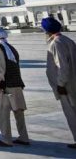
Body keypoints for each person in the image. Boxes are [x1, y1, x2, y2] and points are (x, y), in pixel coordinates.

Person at [0, 26, 29, 147]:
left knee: (3, 112)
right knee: (18, 111)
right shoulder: (10, 47)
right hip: (17, 83)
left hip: (5, 85)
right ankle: (24, 137)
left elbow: (0, 67)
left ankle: (6, 139)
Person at [42, 16, 76, 149]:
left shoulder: (56, 43)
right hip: (72, 81)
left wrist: (61, 84)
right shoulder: (67, 40)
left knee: (71, 114)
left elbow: (62, 66)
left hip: (66, 86)